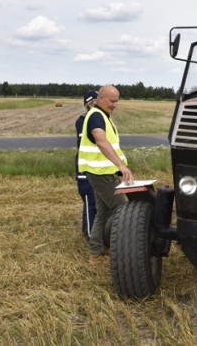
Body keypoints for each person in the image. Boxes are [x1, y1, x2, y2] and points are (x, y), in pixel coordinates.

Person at [78, 85, 134, 264]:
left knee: (102, 213)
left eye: (117, 101)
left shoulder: (102, 116)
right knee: (123, 211)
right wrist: (121, 165)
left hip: (103, 173)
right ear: (100, 99)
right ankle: (118, 248)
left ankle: (97, 252)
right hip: (101, 174)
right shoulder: (96, 117)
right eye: (112, 101)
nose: (115, 105)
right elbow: (101, 141)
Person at [75, 90, 98, 241]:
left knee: (91, 201)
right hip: (86, 168)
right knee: (91, 201)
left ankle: (86, 229)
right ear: (89, 104)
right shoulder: (84, 121)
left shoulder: (92, 119)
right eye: (95, 102)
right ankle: (91, 236)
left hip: (91, 166)